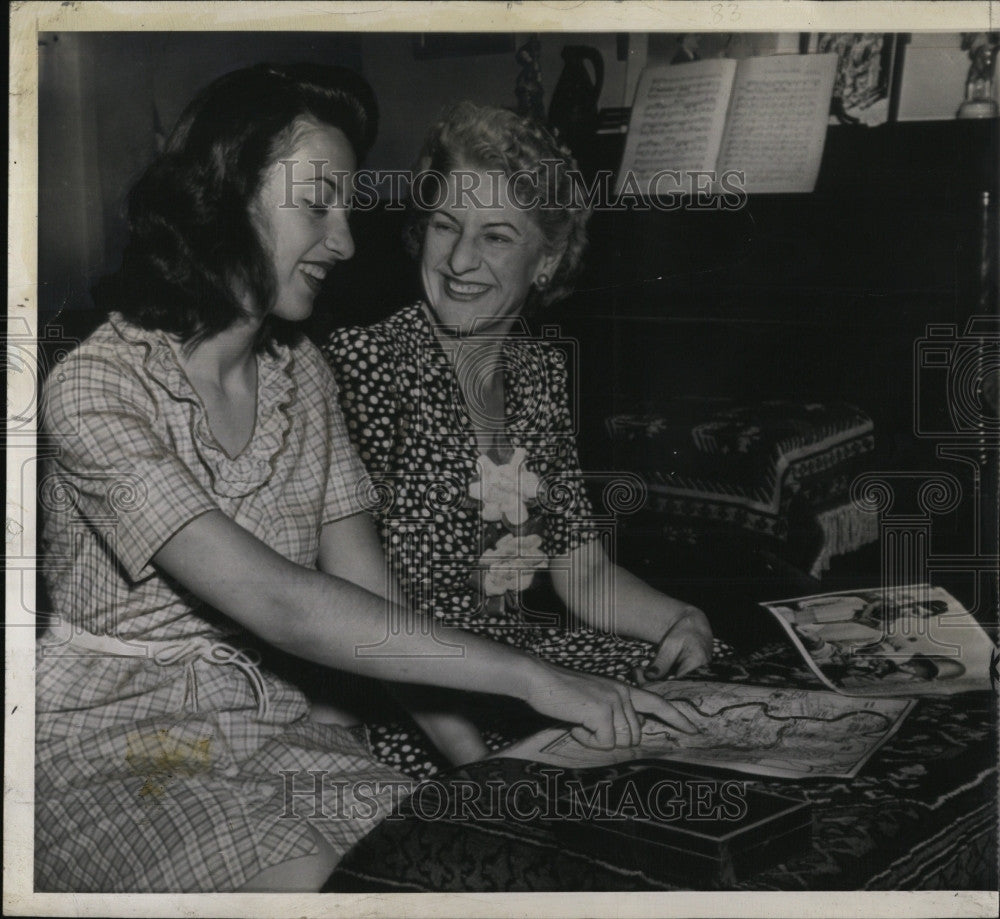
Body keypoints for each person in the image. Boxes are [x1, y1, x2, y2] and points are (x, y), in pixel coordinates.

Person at [35, 66, 697, 894]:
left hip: (265, 730)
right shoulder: (97, 388)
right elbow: (283, 601)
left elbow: (374, 602)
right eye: (318, 206)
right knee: (337, 885)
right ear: (224, 194)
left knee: (469, 864)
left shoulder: (300, 376)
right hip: (119, 748)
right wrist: (534, 677)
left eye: (347, 209)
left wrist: (477, 774)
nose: (345, 242)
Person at [323, 102, 713, 778]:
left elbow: (581, 570)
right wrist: (480, 762)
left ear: (548, 259)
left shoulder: (538, 374)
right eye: (446, 224)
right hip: (399, 693)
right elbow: (368, 614)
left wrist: (682, 617)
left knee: (699, 709)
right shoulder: (367, 362)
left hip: (511, 666)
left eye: (497, 236)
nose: (459, 259)